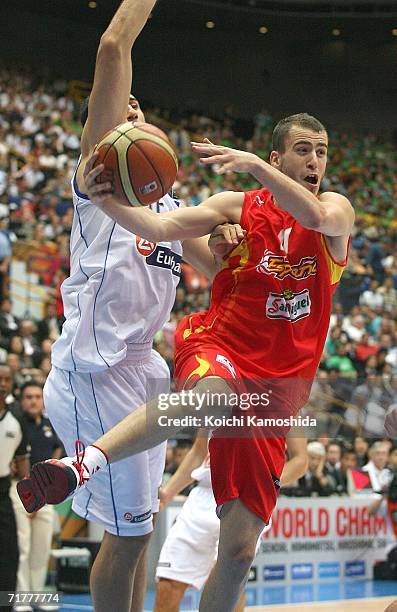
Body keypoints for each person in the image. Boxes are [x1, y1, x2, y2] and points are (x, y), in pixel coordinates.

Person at [19, 111, 354, 611]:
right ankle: (83, 463)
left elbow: (315, 218)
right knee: (210, 399)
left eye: (321, 151)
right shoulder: (234, 208)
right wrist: (101, 197)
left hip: (276, 389)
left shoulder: (335, 209)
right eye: (302, 150)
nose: (314, 160)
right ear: (278, 157)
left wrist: (253, 167)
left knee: (239, 553)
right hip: (220, 344)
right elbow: (159, 224)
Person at [17, 2, 244, 612]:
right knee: (129, 534)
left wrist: (242, 241)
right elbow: (115, 45)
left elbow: (223, 270)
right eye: (120, 110)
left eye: (137, 110)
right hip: (93, 371)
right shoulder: (99, 182)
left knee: (138, 534)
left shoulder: (166, 209)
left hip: (144, 372)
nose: (130, 114)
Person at [154, 430, 308, 612]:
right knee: (169, 583)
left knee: (228, 582)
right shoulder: (213, 400)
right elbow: (199, 451)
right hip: (203, 494)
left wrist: (265, 482)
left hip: (246, 498)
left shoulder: (285, 402)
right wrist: (168, 493)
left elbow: (300, 460)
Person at [10, 382, 62, 611]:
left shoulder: (50, 426)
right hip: (19, 488)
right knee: (23, 545)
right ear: (22, 401)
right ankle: (21, 600)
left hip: (46, 492)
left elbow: (57, 451)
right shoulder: (18, 425)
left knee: (41, 546)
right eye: (28, 397)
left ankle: (37, 595)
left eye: (37, 397)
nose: (33, 401)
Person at [0, 366, 30, 611]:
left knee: (10, 552)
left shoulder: (17, 417)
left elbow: (22, 462)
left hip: (3, 491)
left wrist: (32, 495)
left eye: (7, 379)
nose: (2, 384)